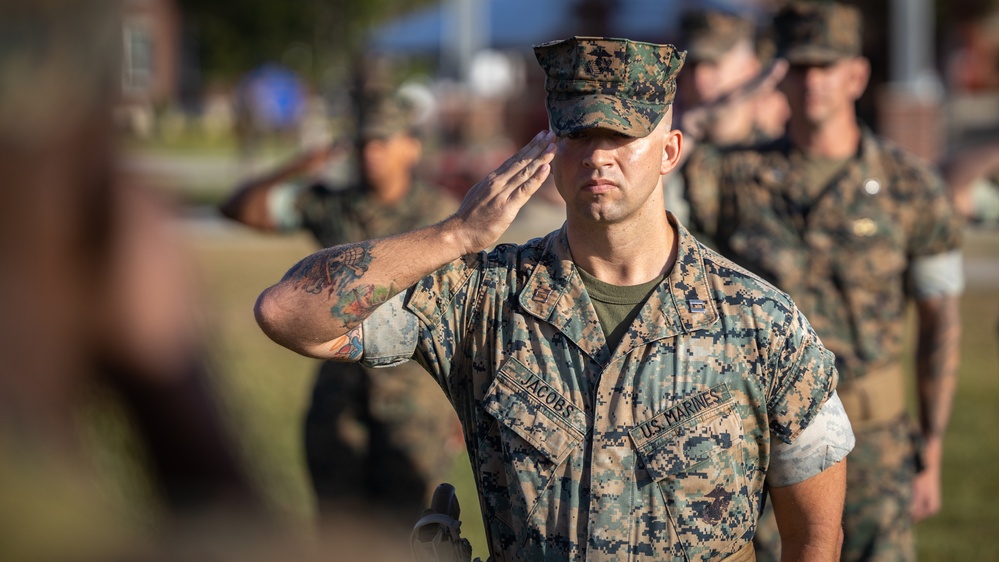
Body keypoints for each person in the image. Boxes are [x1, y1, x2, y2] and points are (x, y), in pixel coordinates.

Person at [254, 36, 854, 561]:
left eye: (621, 134)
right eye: (578, 134)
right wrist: (453, 235)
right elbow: (287, 315)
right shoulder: (483, 299)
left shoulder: (760, 321)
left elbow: (815, 536)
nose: (598, 155)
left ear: (670, 150)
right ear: (548, 148)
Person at [683, 4, 964, 561]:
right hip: (761, 438)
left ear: (857, 75)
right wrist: (708, 118)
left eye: (826, 66)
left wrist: (929, 448)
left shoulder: (911, 187)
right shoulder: (729, 175)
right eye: (798, 67)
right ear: (775, 77)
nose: (813, 82)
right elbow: (654, 185)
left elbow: (940, 324)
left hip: (876, 445)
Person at [220, 92, 461, 532]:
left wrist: (461, 404)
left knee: (407, 535)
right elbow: (238, 209)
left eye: (383, 142)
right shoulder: (333, 205)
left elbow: (467, 316)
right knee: (339, 533)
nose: (371, 154)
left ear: (412, 146)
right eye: (363, 143)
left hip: (414, 402)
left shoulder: (445, 218)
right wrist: (300, 165)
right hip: (339, 399)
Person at [667, 6, 790, 224]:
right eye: (692, 65)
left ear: (751, 70)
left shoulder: (779, 157)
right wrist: (691, 126)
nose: (699, 78)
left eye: (713, 64)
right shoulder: (667, 155)